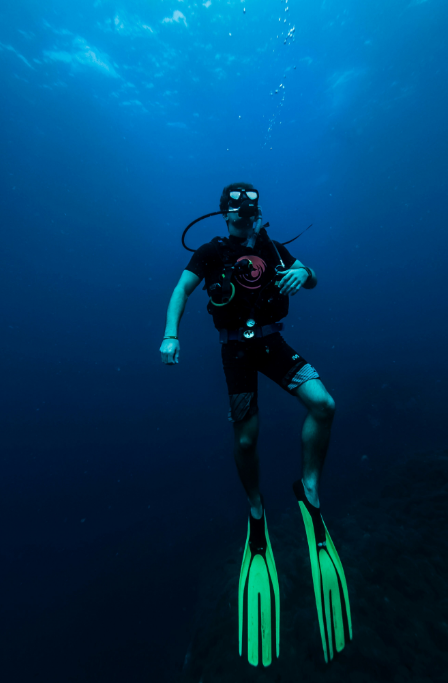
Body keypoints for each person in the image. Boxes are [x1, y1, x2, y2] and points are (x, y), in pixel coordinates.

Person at [160, 183, 351, 667]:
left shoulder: (272, 246)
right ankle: (256, 506)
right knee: (247, 438)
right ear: (223, 215)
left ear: (258, 214)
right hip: (237, 353)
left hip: (273, 344)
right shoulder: (210, 252)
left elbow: (311, 278)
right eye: (234, 213)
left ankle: (308, 489)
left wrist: (305, 270)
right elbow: (181, 289)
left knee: (324, 404)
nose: (242, 219)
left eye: (249, 213)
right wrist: (169, 335)